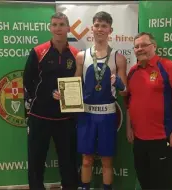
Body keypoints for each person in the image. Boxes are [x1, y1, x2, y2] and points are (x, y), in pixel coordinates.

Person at [53, 11, 127, 190]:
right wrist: (64, 94)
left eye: (104, 26)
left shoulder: (118, 57)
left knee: (106, 161)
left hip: (108, 115)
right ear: (91, 29)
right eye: (97, 25)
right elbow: (76, 83)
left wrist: (118, 83)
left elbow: (126, 91)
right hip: (86, 115)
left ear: (110, 30)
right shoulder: (81, 56)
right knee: (86, 160)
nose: (100, 29)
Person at [125, 32, 172, 190]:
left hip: (161, 138)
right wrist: (129, 128)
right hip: (139, 140)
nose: (140, 49)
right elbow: (129, 104)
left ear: (154, 46)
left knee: (162, 184)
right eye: (136, 46)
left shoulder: (167, 67)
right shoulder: (132, 71)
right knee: (144, 181)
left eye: (144, 45)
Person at [23, 12, 79, 190]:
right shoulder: (39, 51)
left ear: (68, 28)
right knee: (36, 159)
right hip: (40, 116)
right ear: (50, 28)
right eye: (54, 25)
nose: (58, 28)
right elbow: (27, 81)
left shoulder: (76, 54)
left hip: (66, 118)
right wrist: (44, 98)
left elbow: (79, 83)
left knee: (69, 160)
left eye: (61, 25)